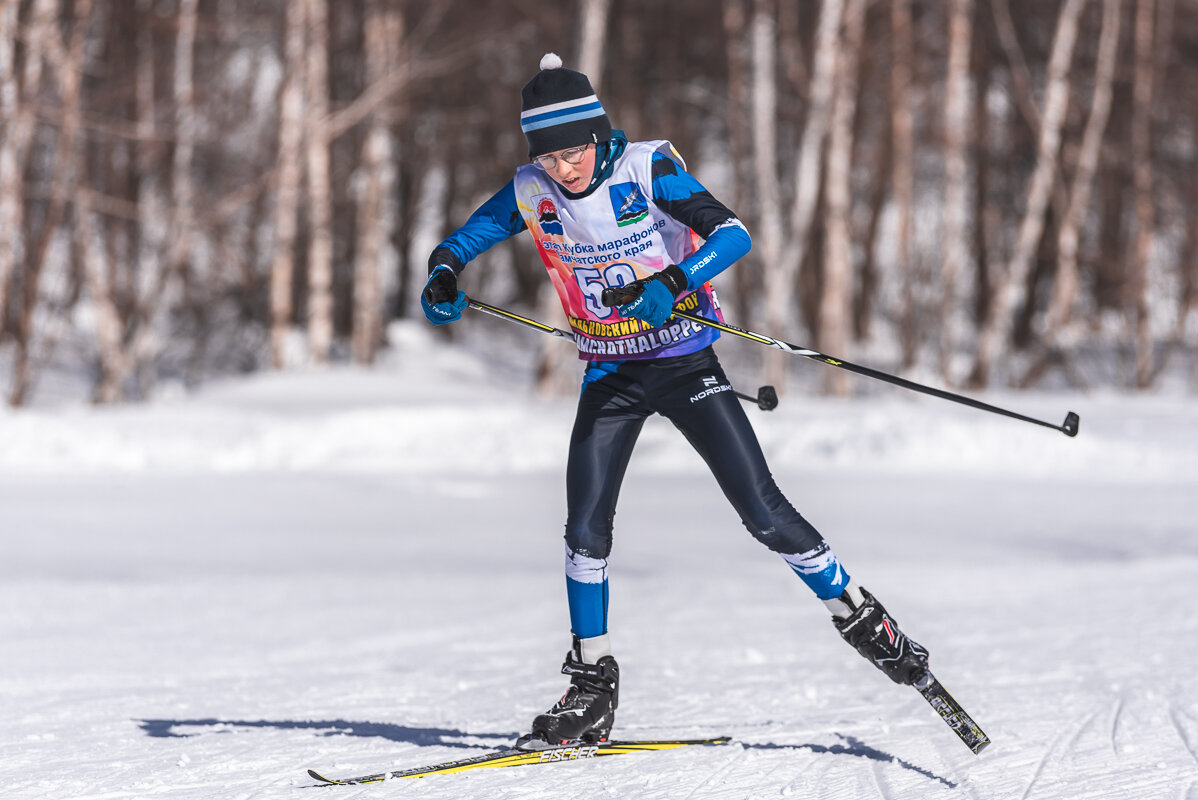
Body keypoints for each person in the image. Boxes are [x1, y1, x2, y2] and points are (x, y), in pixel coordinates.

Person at [421, 54, 929, 748]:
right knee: (584, 529)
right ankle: (591, 683)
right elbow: (471, 234)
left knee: (763, 512)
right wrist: (445, 269)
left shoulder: (644, 168)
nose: (564, 168)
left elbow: (733, 234)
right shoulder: (531, 186)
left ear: (597, 136)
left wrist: (674, 281)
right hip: (611, 374)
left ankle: (862, 613)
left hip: (683, 360)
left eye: (573, 150)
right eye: (548, 154)